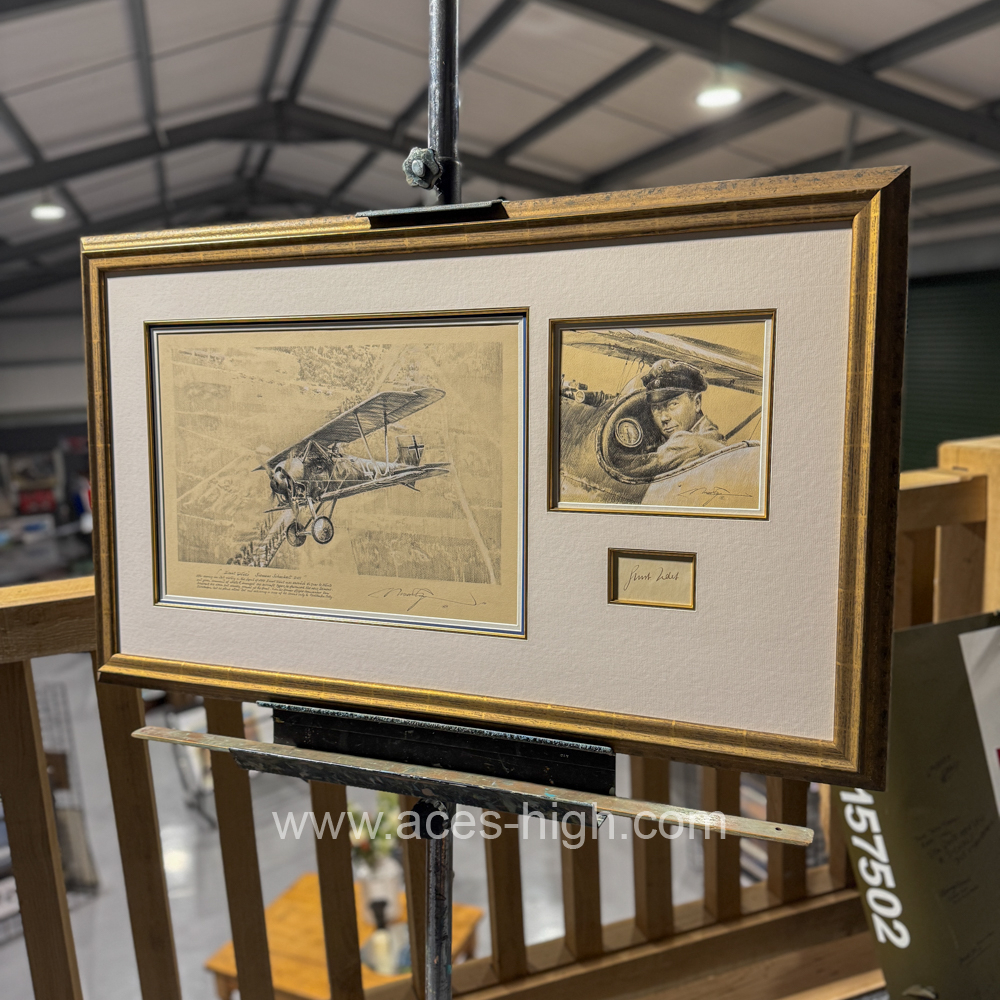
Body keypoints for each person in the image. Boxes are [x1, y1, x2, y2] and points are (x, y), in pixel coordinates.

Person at [624, 360, 725, 478]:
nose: (664, 418)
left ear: (697, 403)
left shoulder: (687, 442)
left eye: (673, 404)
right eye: (656, 408)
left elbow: (631, 469)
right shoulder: (709, 435)